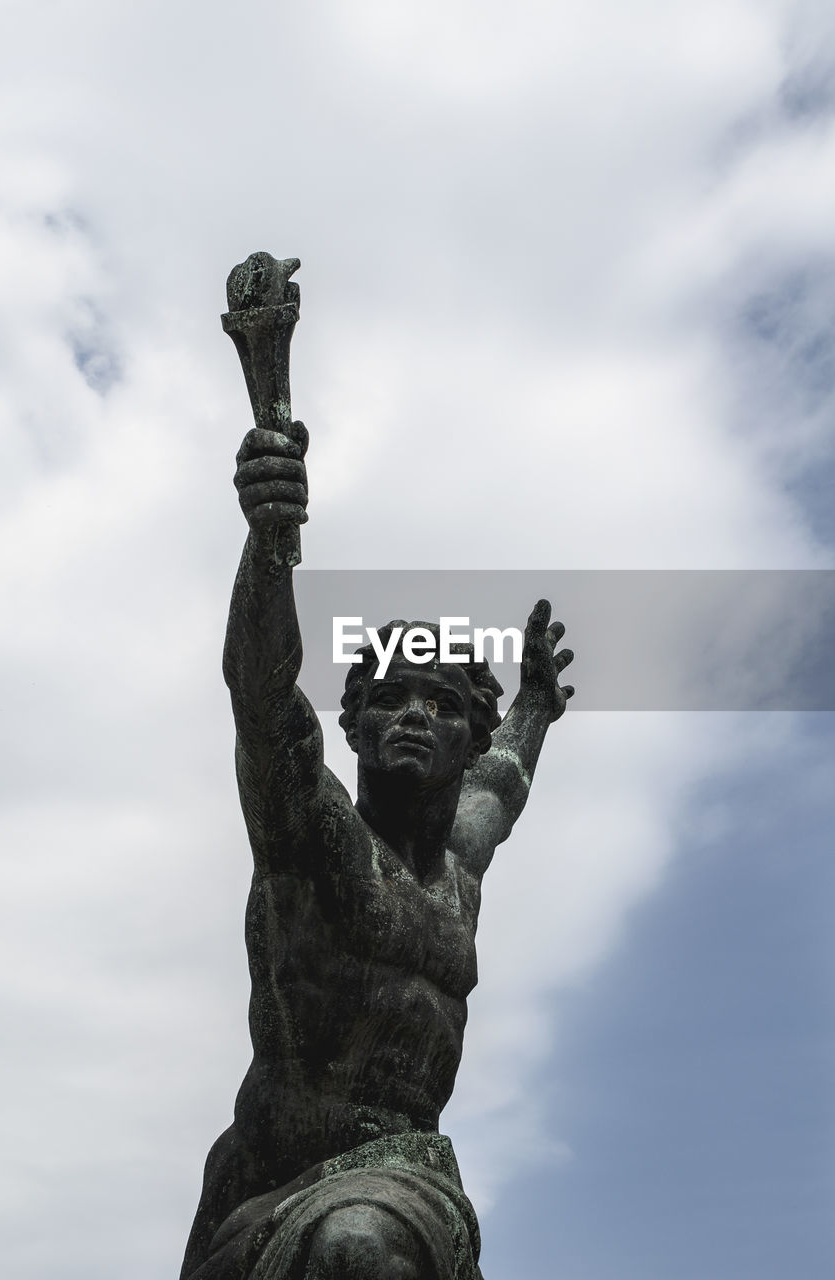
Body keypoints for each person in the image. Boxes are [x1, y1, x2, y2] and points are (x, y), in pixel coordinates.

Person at [179, 422, 574, 1280]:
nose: (413, 716)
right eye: (391, 698)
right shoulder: (311, 835)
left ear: (469, 735)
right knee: (354, 1246)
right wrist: (270, 538)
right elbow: (259, 692)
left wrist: (536, 707)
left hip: (401, 1180)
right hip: (267, 1177)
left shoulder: (459, 871)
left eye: (441, 704)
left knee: (363, 1246)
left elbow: (501, 787)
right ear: (353, 723)